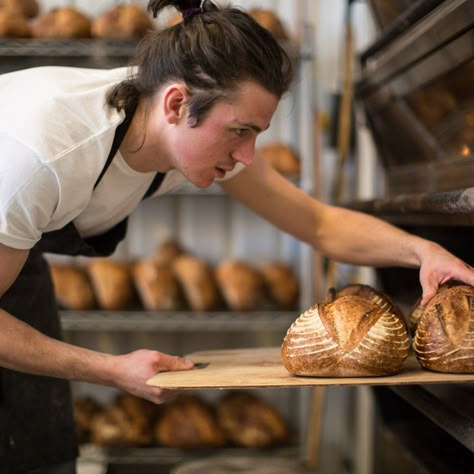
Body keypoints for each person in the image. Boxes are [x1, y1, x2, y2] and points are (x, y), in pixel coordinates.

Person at [0, 0, 473, 472]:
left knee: (41, 446)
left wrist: (422, 251)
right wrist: (111, 369)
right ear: (176, 103)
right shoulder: (43, 157)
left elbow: (318, 223)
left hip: (16, 262)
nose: (247, 155)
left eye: (257, 134)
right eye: (240, 131)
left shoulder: (178, 124)